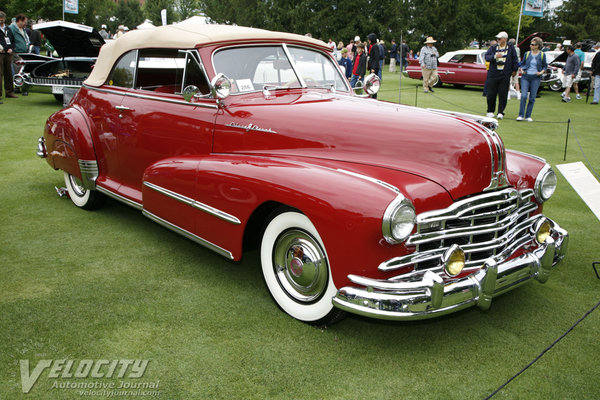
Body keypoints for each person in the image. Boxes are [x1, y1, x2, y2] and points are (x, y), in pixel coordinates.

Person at [484, 31, 518, 119]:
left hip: (505, 74)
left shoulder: (511, 48)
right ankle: (490, 111)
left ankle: (500, 112)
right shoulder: (493, 47)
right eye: (497, 38)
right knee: (491, 93)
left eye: (500, 38)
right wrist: (495, 56)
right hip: (494, 73)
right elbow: (487, 57)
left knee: (503, 93)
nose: (498, 40)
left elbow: (515, 59)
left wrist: (514, 70)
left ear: (505, 39)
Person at [517, 37, 547, 121]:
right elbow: (522, 64)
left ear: (538, 45)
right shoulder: (527, 54)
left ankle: (528, 116)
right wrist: (522, 70)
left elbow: (545, 65)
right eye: (531, 44)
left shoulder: (542, 54)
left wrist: (541, 72)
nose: (531, 46)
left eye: (533, 44)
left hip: (535, 77)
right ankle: (521, 115)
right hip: (526, 76)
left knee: (532, 97)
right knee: (523, 96)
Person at [9, 13, 30, 95]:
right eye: (25, 22)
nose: (26, 23)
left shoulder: (23, 29)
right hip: (17, 52)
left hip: (24, 52)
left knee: (23, 70)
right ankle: (20, 87)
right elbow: (10, 40)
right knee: (19, 70)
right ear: (20, 21)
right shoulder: (12, 28)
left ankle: (20, 87)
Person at [0, 11, 17, 103]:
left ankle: (9, 92)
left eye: (2, 19)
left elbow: (12, 40)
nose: (1, 20)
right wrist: (6, 49)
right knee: (0, 73)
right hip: (1, 53)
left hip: (8, 53)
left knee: (9, 73)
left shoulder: (8, 28)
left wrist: (11, 48)